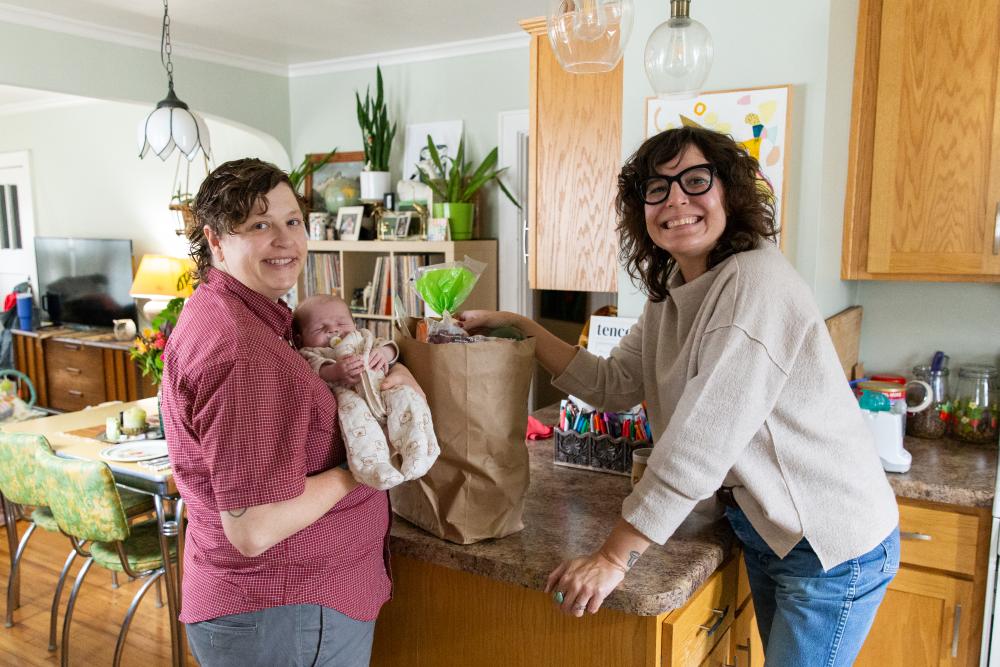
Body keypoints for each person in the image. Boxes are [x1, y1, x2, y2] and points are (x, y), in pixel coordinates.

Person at [460, 126, 899, 666]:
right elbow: (613, 384)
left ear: (731, 193)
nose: (676, 201)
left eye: (695, 181)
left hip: (827, 543)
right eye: (657, 188)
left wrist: (614, 557)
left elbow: (701, 443)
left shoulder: (754, 284)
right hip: (771, 530)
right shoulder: (676, 287)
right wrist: (519, 325)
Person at [161, 158, 423, 666]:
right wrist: (364, 466)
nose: (285, 240)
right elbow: (253, 528)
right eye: (259, 225)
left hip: (282, 612)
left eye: (292, 221)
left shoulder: (244, 316)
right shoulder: (243, 350)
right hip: (285, 613)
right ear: (215, 241)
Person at [293, 294, 439, 490]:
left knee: (408, 397)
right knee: (356, 425)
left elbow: (390, 347)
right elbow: (315, 368)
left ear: (354, 324)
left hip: (383, 389)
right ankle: (373, 468)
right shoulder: (313, 352)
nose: (333, 330)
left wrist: (384, 354)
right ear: (301, 339)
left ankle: (419, 450)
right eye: (320, 328)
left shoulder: (364, 338)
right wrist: (336, 371)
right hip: (352, 397)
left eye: (341, 323)